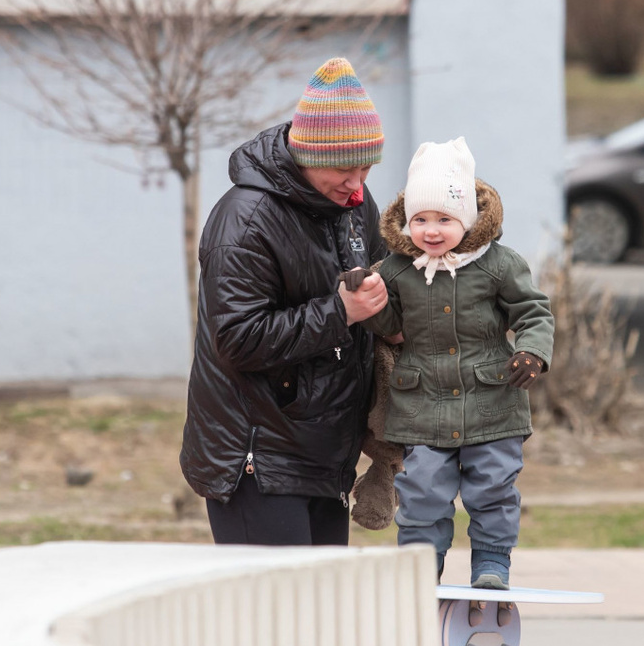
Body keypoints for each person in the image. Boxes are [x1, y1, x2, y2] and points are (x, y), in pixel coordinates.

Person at [179, 57, 389, 546]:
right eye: (343, 169)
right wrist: (341, 312)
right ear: (306, 154)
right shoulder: (245, 219)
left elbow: (383, 286)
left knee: (318, 620)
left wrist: (393, 318)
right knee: (270, 620)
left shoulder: (352, 207)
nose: (356, 184)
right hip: (258, 461)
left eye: (365, 168)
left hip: (326, 455)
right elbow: (236, 339)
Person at [361, 137, 554, 588]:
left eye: (443, 219)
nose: (431, 230)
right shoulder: (396, 268)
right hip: (421, 405)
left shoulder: (499, 265)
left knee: (493, 488)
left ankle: (491, 564)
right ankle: (419, 569)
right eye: (420, 220)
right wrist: (366, 295)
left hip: (492, 401)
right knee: (422, 491)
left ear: (466, 218)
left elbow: (533, 312)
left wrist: (533, 351)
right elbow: (388, 322)